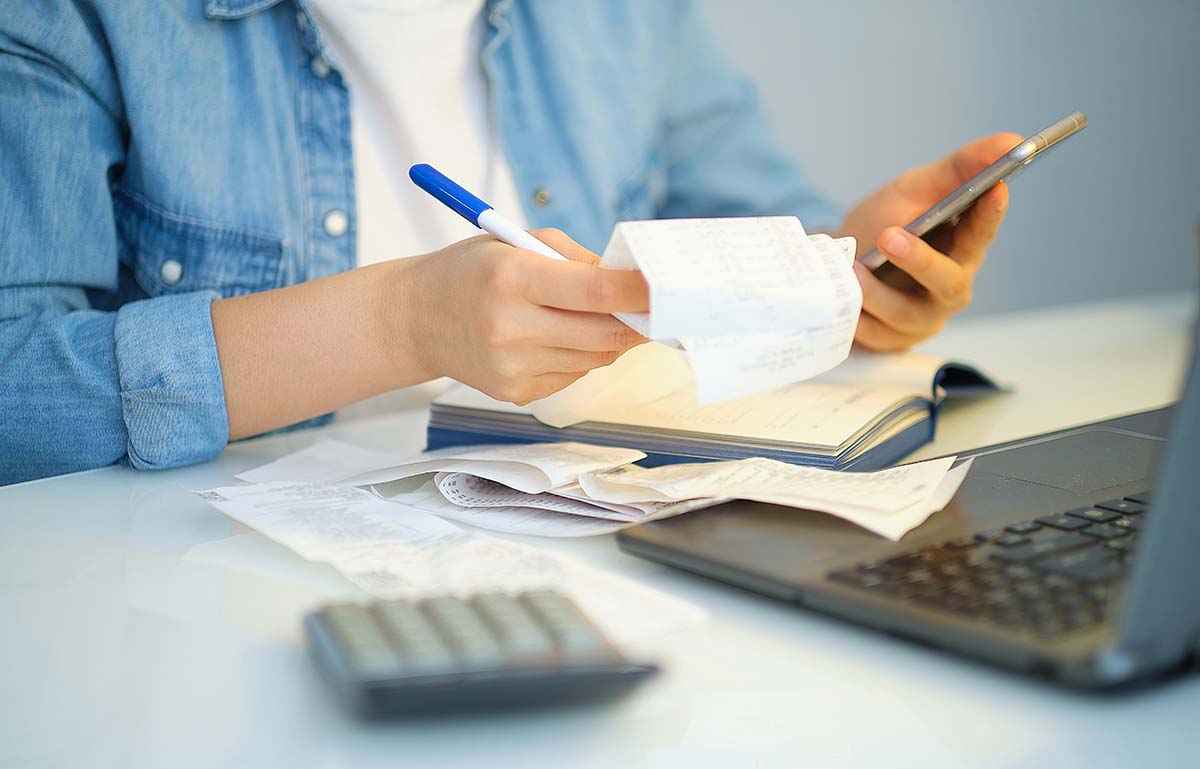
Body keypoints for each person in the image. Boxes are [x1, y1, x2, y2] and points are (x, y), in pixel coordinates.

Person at [0, 0, 1018, 485]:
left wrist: (849, 271)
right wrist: (402, 321)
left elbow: (757, 212)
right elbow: (15, 391)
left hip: (593, 556)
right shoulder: (79, 18)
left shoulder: (629, 19)